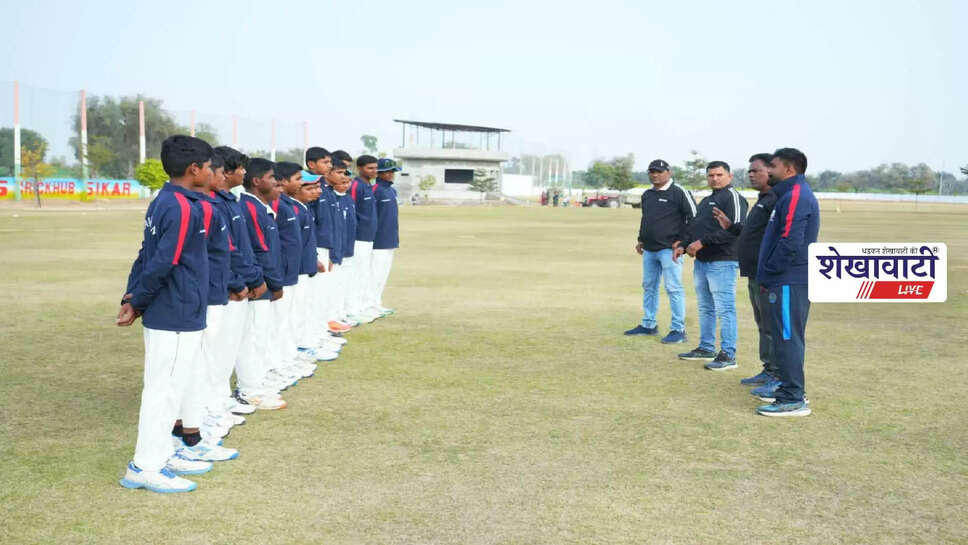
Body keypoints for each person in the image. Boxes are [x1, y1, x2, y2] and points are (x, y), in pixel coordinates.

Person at [117, 135, 215, 493]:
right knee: (164, 391)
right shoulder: (182, 206)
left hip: (178, 309)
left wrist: (130, 295)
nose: (210, 172)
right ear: (194, 169)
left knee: (172, 387)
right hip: (174, 311)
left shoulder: (166, 199)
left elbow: (146, 252)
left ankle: (163, 452)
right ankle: (144, 467)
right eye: (207, 167)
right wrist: (137, 300)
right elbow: (161, 260)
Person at [754, 148, 819, 417]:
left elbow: (790, 241)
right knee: (784, 337)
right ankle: (789, 391)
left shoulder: (795, 195)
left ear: (789, 169)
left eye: (774, 166)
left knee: (788, 337)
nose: (769, 171)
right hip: (785, 279)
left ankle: (793, 398)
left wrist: (770, 272)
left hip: (790, 280)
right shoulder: (787, 195)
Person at [711, 154, 779, 390]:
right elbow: (752, 231)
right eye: (749, 171)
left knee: (772, 325)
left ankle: (777, 375)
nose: (751, 174)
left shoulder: (777, 199)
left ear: (771, 171)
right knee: (763, 324)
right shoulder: (762, 199)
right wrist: (732, 226)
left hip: (768, 274)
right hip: (753, 271)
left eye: (756, 170)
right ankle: (768, 369)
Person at [676, 161, 748, 370]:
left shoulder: (733, 197)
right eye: (711, 175)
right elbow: (695, 227)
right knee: (705, 307)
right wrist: (683, 244)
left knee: (725, 309)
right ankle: (706, 347)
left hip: (722, 261)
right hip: (702, 261)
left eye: (719, 175)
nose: (714, 179)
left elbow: (734, 229)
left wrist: (702, 242)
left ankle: (728, 354)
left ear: (729, 176)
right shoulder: (708, 200)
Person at [210, 146, 264, 417]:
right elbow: (223, 252)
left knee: (234, 343)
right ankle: (216, 402)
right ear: (225, 172)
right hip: (229, 289)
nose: (244, 172)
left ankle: (224, 397)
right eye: (240, 168)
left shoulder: (232, 200)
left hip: (242, 283)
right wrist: (237, 282)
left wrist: (252, 276)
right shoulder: (216, 204)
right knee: (221, 348)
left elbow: (244, 247)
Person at [625, 159, 697, 344]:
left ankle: (678, 329)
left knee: (673, 288)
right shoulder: (647, 194)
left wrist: (684, 242)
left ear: (668, 172)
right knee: (649, 287)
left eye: (659, 171)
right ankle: (649, 324)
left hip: (669, 250)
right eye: (652, 171)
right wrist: (641, 239)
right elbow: (646, 219)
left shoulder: (679, 192)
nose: (655, 175)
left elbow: (694, 218)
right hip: (650, 249)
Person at [236, 158, 287, 410]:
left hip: (264, 282)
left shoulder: (260, 207)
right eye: (270, 177)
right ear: (256, 181)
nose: (276, 181)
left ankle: (256, 383)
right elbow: (261, 249)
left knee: (259, 335)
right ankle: (249, 390)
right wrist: (274, 283)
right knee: (253, 336)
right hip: (260, 285)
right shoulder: (251, 208)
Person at [346, 155, 380, 323]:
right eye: (370, 168)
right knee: (356, 274)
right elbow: (351, 211)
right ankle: (353, 309)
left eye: (375, 168)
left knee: (364, 274)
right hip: (358, 238)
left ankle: (361, 306)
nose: (374, 171)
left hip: (368, 238)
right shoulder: (356, 185)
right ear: (360, 168)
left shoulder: (369, 186)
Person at [370, 158, 400, 315]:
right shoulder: (375, 189)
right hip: (378, 241)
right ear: (378, 173)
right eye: (386, 172)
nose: (390, 174)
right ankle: (370, 303)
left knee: (383, 274)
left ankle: (377, 301)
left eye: (392, 171)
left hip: (390, 239)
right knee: (374, 274)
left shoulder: (392, 190)